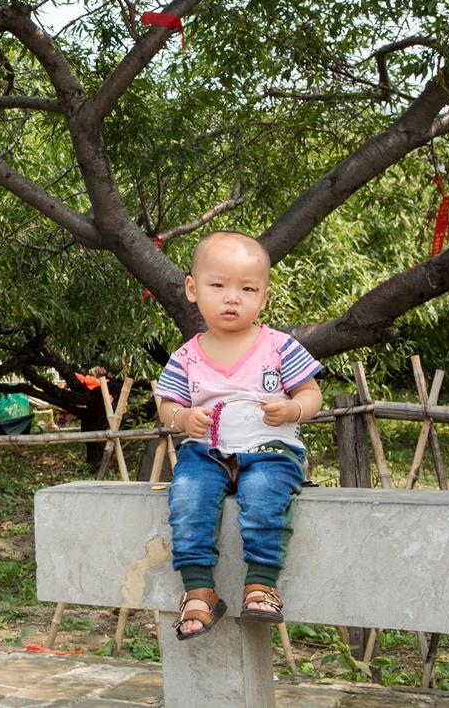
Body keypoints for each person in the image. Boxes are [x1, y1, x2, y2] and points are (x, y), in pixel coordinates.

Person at [152, 230, 324, 639]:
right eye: (218, 285)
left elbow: (312, 393)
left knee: (265, 496)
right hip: (205, 452)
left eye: (247, 289)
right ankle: (198, 590)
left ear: (263, 297)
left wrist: (293, 409)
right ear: (193, 289)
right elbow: (166, 405)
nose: (233, 297)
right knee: (188, 500)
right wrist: (183, 418)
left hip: (270, 451)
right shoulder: (186, 357)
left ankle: (261, 584)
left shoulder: (279, 347)